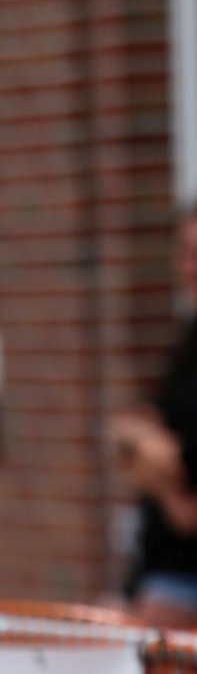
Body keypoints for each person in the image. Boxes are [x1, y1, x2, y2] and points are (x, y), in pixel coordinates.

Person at [113, 204, 197, 620]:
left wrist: (160, 477)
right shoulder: (189, 340)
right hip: (154, 570)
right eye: (185, 253)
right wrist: (142, 443)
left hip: (181, 583)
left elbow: (187, 515)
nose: (189, 267)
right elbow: (136, 427)